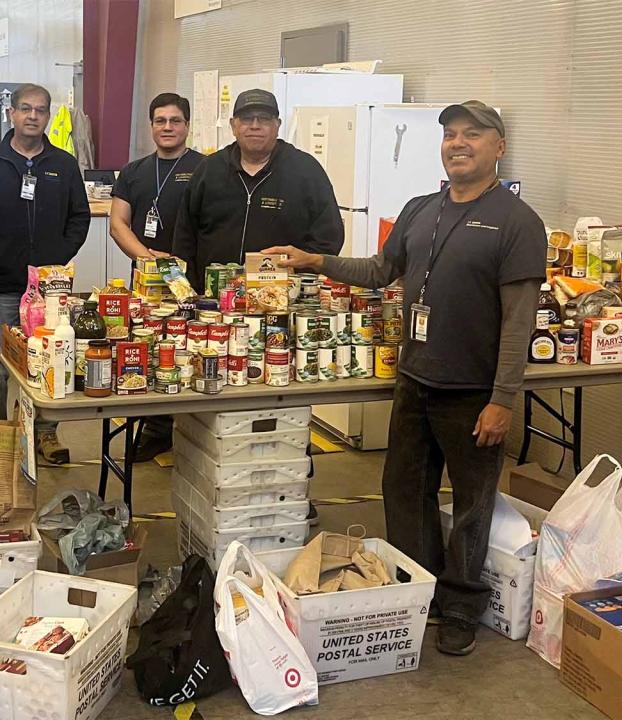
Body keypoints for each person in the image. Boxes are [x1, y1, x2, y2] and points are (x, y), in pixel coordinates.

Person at [264, 100, 546, 656]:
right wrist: (314, 259)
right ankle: (422, 588)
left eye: (473, 134)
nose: (458, 143)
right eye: (450, 135)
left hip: (472, 391)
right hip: (415, 380)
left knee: (470, 503)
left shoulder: (518, 222)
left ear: (499, 147)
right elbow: (378, 271)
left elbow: (519, 321)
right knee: (405, 492)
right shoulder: (421, 208)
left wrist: (503, 399)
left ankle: (463, 605)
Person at [0, 83, 91, 463]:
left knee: (52, 358)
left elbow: (80, 217)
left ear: (48, 116)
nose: (33, 116)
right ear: (12, 114)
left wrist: (56, 260)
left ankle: (45, 434)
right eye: (25, 109)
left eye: (40, 110)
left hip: (51, 288)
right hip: (5, 284)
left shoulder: (64, 165)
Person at [171, 88, 343, 289]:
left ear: (277, 125)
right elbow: (184, 237)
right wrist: (189, 289)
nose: (254, 126)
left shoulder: (306, 171)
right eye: (246, 119)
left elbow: (329, 238)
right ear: (233, 125)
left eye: (264, 119)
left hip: (282, 300)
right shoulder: (209, 169)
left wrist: (299, 278)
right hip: (212, 300)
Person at [109, 92, 203, 462]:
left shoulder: (205, 168)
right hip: (145, 281)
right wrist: (147, 259)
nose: (167, 127)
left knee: (187, 349)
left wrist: (179, 261)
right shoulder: (134, 171)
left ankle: (191, 427)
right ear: (151, 126)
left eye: (175, 120)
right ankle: (156, 427)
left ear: (186, 125)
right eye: (160, 120)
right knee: (148, 348)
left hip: (188, 280)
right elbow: (118, 224)